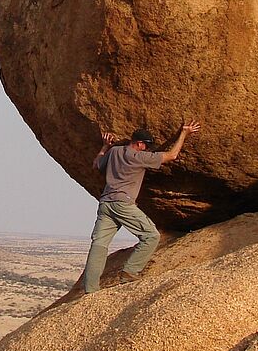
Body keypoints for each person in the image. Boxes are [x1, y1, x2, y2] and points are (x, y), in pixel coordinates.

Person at [81, 121, 201, 293]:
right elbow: (172, 155)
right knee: (151, 236)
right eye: (146, 146)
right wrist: (184, 133)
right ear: (139, 143)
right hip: (123, 203)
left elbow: (96, 165)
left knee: (99, 244)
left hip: (106, 204)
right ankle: (130, 271)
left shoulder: (114, 151)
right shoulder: (139, 157)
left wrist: (104, 146)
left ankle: (90, 289)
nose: (147, 149)